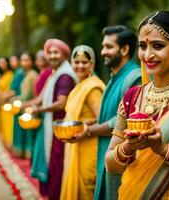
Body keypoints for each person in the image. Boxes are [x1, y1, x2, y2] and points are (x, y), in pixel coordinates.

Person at [105, 10, 169, 199]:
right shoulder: (132, 97)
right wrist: (128, 147)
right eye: (142, 46)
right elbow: (110, 164)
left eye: (158, 46)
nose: (147, 55)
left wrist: (164, 150)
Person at [69, 26, 141, 199]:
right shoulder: (114, 78)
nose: (102, 52)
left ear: (124, 49)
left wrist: (89, 131)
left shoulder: (134, 77)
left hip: (122, 156)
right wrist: (92, 124)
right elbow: (109, 116)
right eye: (103, 46)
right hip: (105, 152)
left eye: (109, 47)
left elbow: (129, 120)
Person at [31, 39, 77, 199]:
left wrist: (40, 109)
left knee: (57, 166)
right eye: (49, 52)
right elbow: (41, 97)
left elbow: (61, 104)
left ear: (64, 55)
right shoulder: (54, 73)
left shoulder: (64, 75)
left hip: (60, 129)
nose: (52, 55)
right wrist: (26, 105)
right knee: (52, 165)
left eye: (56, 52)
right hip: (51, 126)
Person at [60, 45, 105, 200]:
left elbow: (103, 119)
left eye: (84, 62)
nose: (80, 66)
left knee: (86, 187)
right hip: (76, 144)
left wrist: (84, 128)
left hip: (89, 145)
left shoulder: (92, 88)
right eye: (76, 61)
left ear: (92, 64)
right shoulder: (79, 86)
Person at [11, 52, 38, 158]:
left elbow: (33, 94)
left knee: (28, 133)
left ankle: (29, 154)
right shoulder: (22, 74)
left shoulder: (33, 75)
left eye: (26, 60)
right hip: (21, 105)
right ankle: (21, 151)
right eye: (22, 60)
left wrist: (19, 101)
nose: (24, 62)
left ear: (32, 62)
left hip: (28, 106)